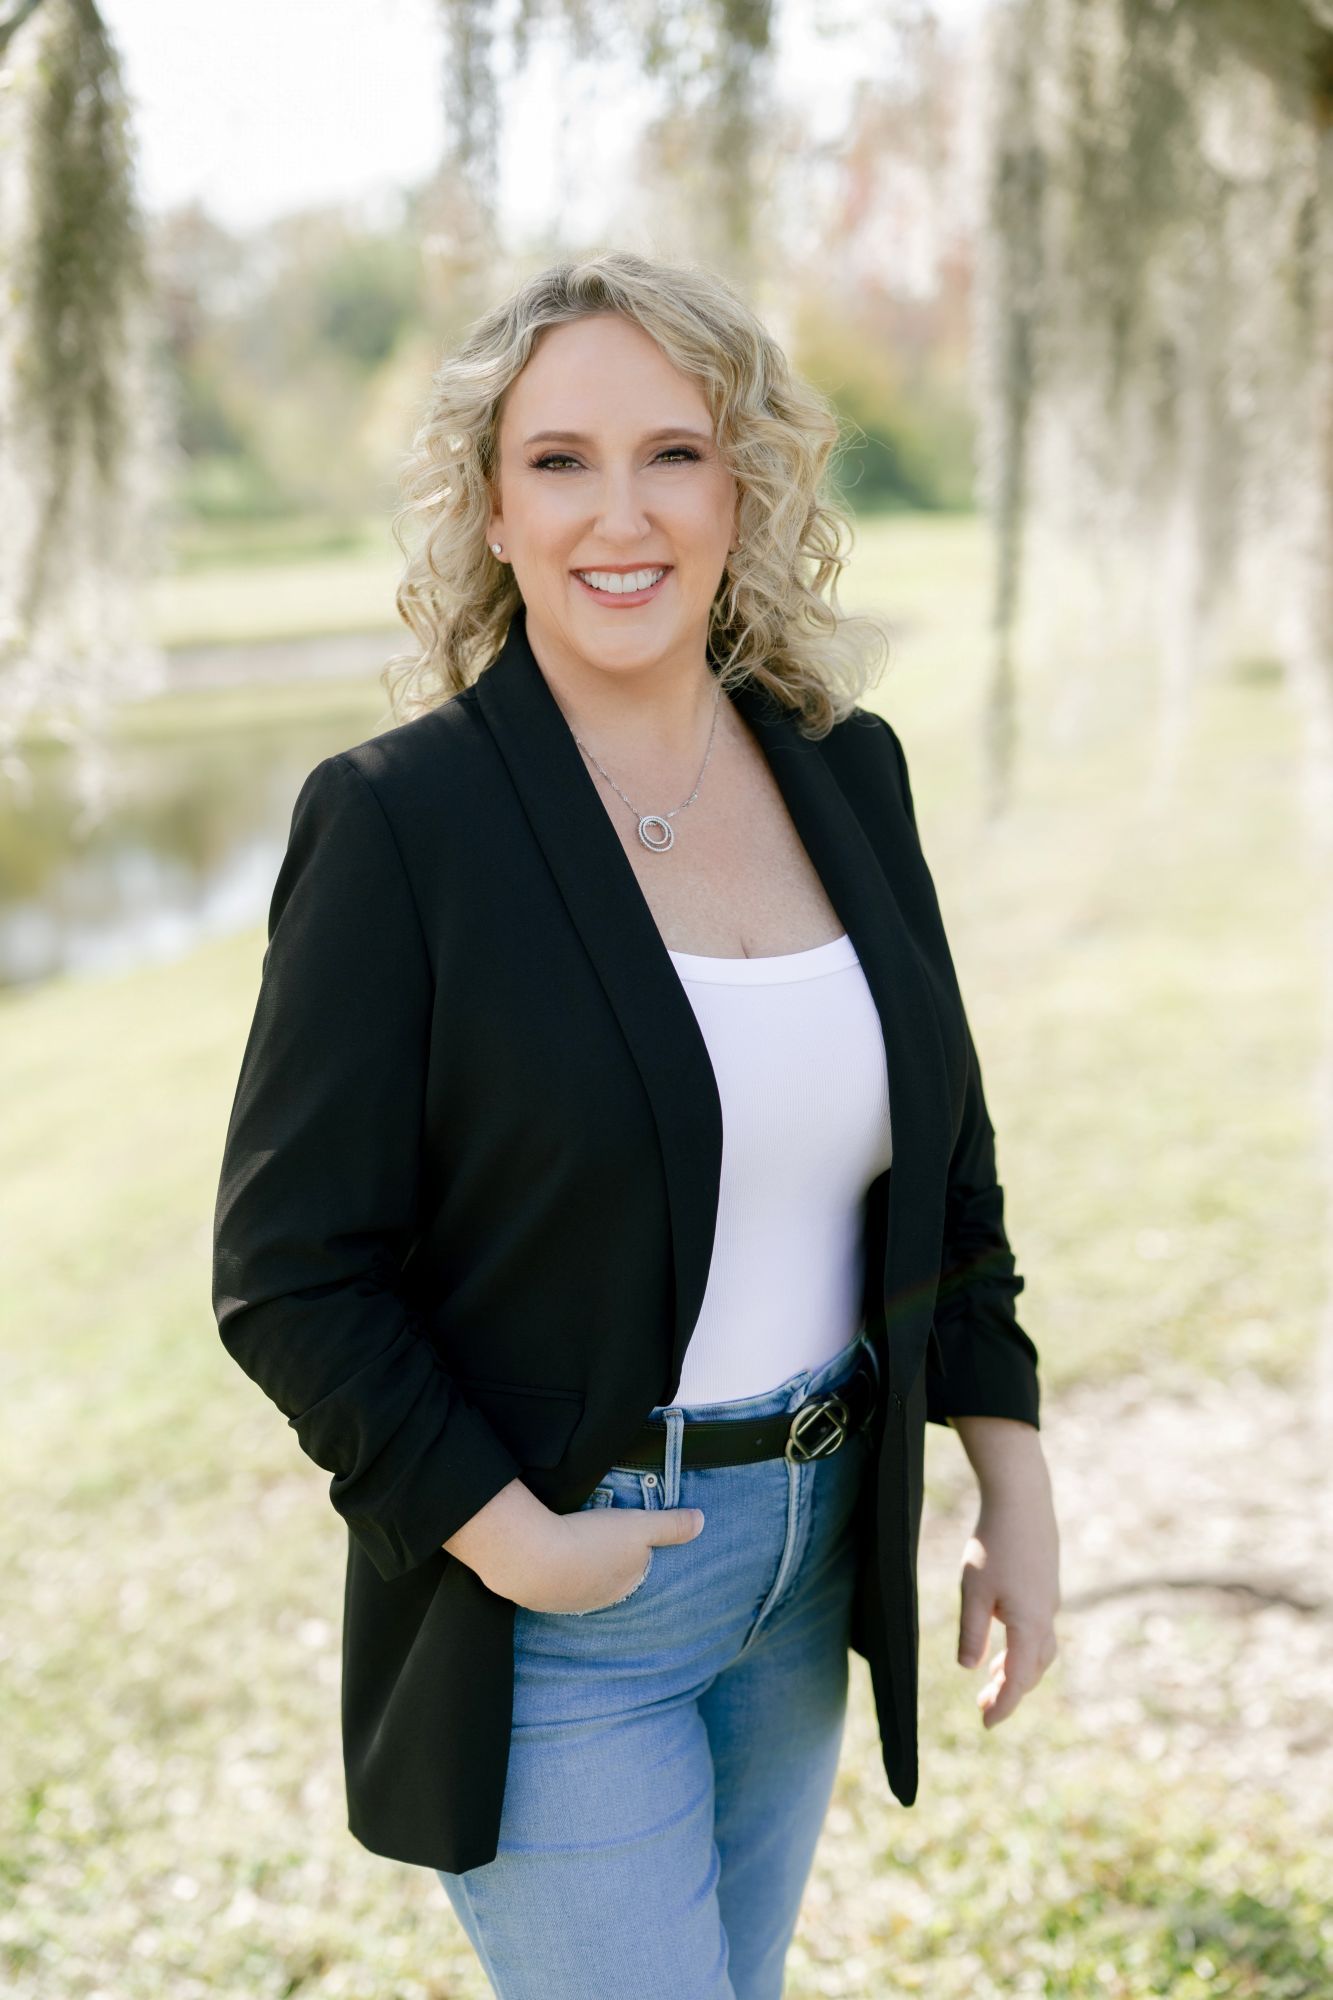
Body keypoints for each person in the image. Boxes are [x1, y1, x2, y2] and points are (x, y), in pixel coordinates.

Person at [211, 249, 1061, 2000]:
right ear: (491, 509)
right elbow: (290, 1273)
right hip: (560, 1613)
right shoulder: (399, 827)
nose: (624, 512)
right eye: (559, 460)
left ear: (743, 486)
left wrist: (1010, 1469)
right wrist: (516, 1542)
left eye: (674, 452)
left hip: (813, 1564)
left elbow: (943, 1164)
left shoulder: (844, 770)